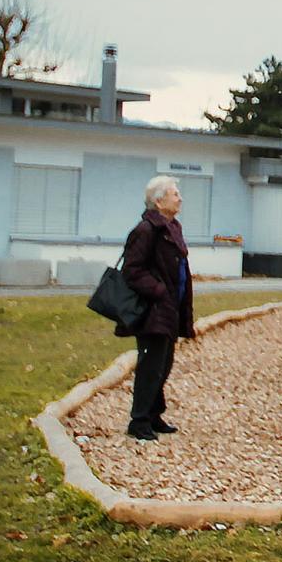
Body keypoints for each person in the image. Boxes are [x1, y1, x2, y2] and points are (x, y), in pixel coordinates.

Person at [120, 175, 196, 441]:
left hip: (170, 309)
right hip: (153, 310)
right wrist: (159, 291)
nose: (180, 198)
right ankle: (138, 420)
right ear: (159, 200)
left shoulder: (172, 227)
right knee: (151, 364)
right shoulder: (146, 230)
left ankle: (154, 415)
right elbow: (131, 270)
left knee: (164, 363)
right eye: (175, 194)